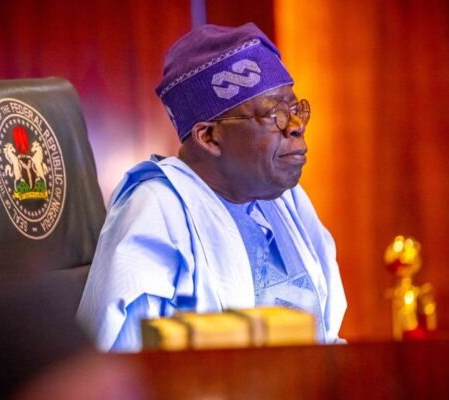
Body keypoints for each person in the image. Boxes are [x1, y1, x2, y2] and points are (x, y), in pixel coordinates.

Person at [77, 22, 346, 352]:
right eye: (274, 114)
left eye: (294, 110)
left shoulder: (285, 198)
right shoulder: (157, 210)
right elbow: (127, 362)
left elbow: (326, 337)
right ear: (209, 137)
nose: (295, 127)